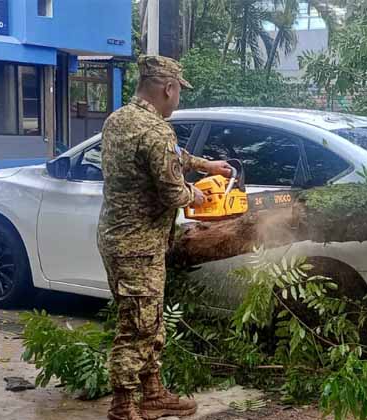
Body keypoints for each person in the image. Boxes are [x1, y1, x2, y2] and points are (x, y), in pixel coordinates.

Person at [97, 55, 232, 420]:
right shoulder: (156, 130)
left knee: (148, 319)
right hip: (138, 246)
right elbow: (174, 192)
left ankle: (153, 393)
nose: (179, 100)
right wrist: (198, 194)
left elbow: (170, 155)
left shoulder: (119, 120)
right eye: (178, 93)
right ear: (168, 89)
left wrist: (206, 166)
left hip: (118, 239)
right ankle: (123, 406)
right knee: (137, 327)